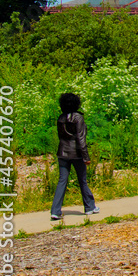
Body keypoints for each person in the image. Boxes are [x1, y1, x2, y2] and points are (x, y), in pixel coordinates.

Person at [50, 92, 99, 221]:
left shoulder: (60, 118)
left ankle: (55, 211)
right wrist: (86, 156)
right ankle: (89, 207)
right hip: (76, 153)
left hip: (62, 153)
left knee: (62, 181)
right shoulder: (78, 118)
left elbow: (61, 137)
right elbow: (81, 138)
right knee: (82, 180)